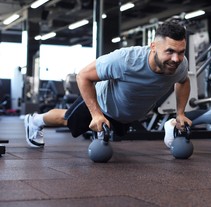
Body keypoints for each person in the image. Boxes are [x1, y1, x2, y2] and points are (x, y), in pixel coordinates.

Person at [24, 21, 192, 148]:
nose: (176, 59)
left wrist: (180, 113)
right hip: (102, 104)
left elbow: (183, 82)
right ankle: (35, 121)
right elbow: (83, 75)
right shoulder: (125, 60)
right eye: (169, 51)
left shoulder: (180, 65)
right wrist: (96, 114)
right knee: (66, 119)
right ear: (153, 47)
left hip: (127, 114)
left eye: (181, 52)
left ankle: (170, 124)